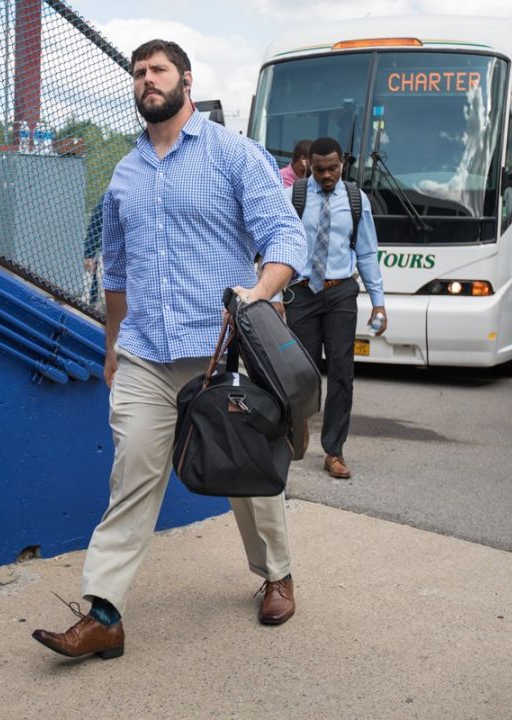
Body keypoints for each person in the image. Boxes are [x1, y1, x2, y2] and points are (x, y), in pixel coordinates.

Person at [31, 38, 308, 660]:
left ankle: (276, 574)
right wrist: (111, 344)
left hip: (221, 355)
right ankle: (104, 614)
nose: (147, 80)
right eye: (138, 73)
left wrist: (258, 291)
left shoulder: (233, 155)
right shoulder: (124, 173)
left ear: (185, 79)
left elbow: (284, 232)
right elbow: (116, 273)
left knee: (244, 476)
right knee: (131, 477)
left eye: (158, 71)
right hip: (145, 357)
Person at [285, 137, 386, 479]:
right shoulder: (294, 197)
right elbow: (279, 243)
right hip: (302, 292)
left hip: (341, 291)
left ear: (343, 163)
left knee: (342, 372)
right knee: (302, 373)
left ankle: (334, 450)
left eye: (332, 168)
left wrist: (378, 303)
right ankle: (296, 434)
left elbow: (368, 253)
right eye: (318, 169)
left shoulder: (357, 200)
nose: (326, 175)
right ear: (307, 166)